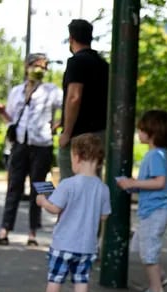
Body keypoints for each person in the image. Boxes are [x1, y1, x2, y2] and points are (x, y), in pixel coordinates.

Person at [0, 53, 62, 247]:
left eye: (43, 67)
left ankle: (33, 232)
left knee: (40, 188)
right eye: (36, 65)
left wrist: (58, 125)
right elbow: (12, 118)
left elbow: (66, 107)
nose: (39, 70)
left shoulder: (52, 91)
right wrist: (2, 112)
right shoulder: (16, 91)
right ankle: (4, 230)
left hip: (42, 144)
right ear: (27, 67)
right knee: (14, 187)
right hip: (20, 144)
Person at [31, 133, 111, 292]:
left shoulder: (68, 184)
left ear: (77, 158)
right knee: (81, 280)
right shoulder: (103, 188)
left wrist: (42, 201)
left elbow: (55, 208)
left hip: (64, 243)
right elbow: (104, 216)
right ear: (99, 162)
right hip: (87, 246)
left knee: (55, 278)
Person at [116, 110, 167, 292]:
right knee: (141, 245)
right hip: (153, 209)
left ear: (152, 132)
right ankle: (160, 278)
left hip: (155, 211)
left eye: (141, 130)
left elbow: (159, 183)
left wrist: (133, 183)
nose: (138, 133)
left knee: (148, 249)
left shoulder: (155, 155)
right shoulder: (159, 154)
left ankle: (156, 290)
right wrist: (133, 185)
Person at [57, 19, 109, 180]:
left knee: (70, 183)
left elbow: (74, 96)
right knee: (92, 181)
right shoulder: (104, 64)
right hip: (100, 133)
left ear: (71, 39)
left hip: (78, 135)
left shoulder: (76, 62)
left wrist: (66, 132)